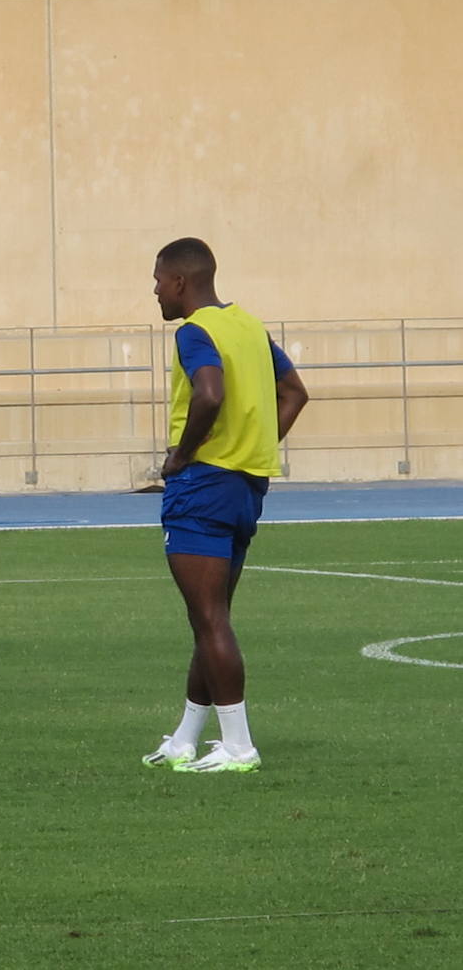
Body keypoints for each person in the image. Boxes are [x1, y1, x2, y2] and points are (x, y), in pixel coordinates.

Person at [143, 237, 308, 773]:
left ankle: (239, 745)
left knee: (210, 618)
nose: (155, 290)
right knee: (209, 618)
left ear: (181, 282)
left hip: (202, 488)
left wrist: (181, 458)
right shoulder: (249, 326)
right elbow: (295, 393)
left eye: (158, 280)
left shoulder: (195, 332)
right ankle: (186, 739)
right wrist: (254, 447)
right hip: (244, 488)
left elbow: (209, 393)